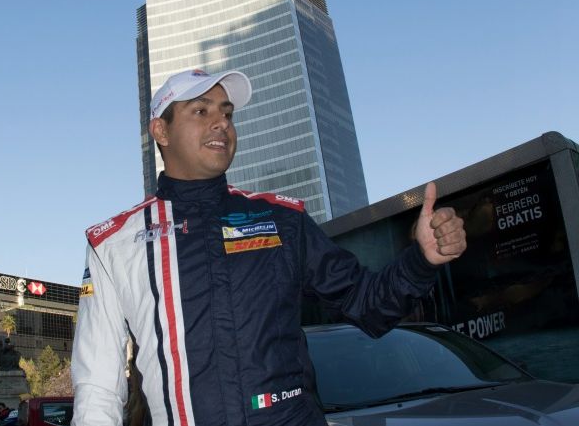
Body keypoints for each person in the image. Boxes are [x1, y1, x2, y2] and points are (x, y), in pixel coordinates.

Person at [70, 69, 467, 426]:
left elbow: (368, 304)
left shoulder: (283, 220)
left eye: (227, 113)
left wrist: (421, 260)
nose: (221, 124)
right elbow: (98, 388)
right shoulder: (112, 244)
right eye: (201, 111)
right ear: (161, 131)